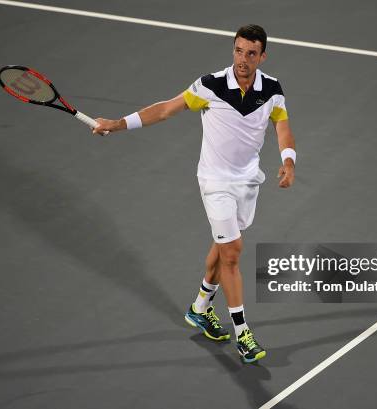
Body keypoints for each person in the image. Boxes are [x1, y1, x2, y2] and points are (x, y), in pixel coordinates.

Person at [92, 24, 296, 363]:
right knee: (232, 252)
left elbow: (282, 126)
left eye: (250, 53)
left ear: (262, 56)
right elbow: (164, 109)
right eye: (238, 50)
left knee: (222, 246)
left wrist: (289, 161)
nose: (242, 59)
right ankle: (243, 333)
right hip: (214, 182)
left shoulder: (272, 89)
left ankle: (200, 308)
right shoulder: (210, 86)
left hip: (247, 181)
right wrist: (116, 123)